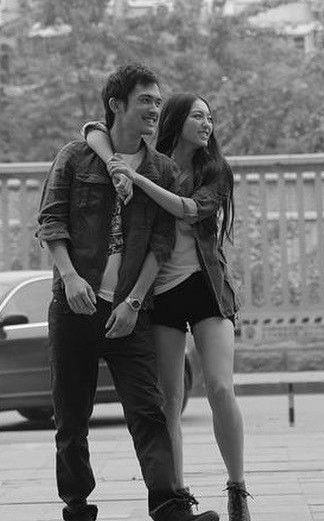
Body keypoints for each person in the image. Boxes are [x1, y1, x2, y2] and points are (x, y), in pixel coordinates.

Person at [36, 65, 219, 521]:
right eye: (145, 101)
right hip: (75, 307)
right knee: (71, 418)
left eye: (158, 101)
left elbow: (161, 243)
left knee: (149, 411)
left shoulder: (162, 170)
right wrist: (71, 277)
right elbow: (51, 221)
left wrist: (134, 302)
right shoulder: (75, 158)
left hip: (131, 312)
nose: (155, 109)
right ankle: (77, 506)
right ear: (117, 105)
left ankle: (168, 505)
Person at [83, 92, 251, 521]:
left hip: (207, 288)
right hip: (162, 293)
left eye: (210, 118)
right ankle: (177, 496)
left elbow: (190, 210)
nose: (207, 124)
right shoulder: (153, 161)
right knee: (169, 401)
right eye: (198, 116)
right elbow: (93, 131)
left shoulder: (214, 172)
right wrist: (126, 168)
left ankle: (237, 487)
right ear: (178, 121)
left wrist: (137, 180)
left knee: (220, 388)